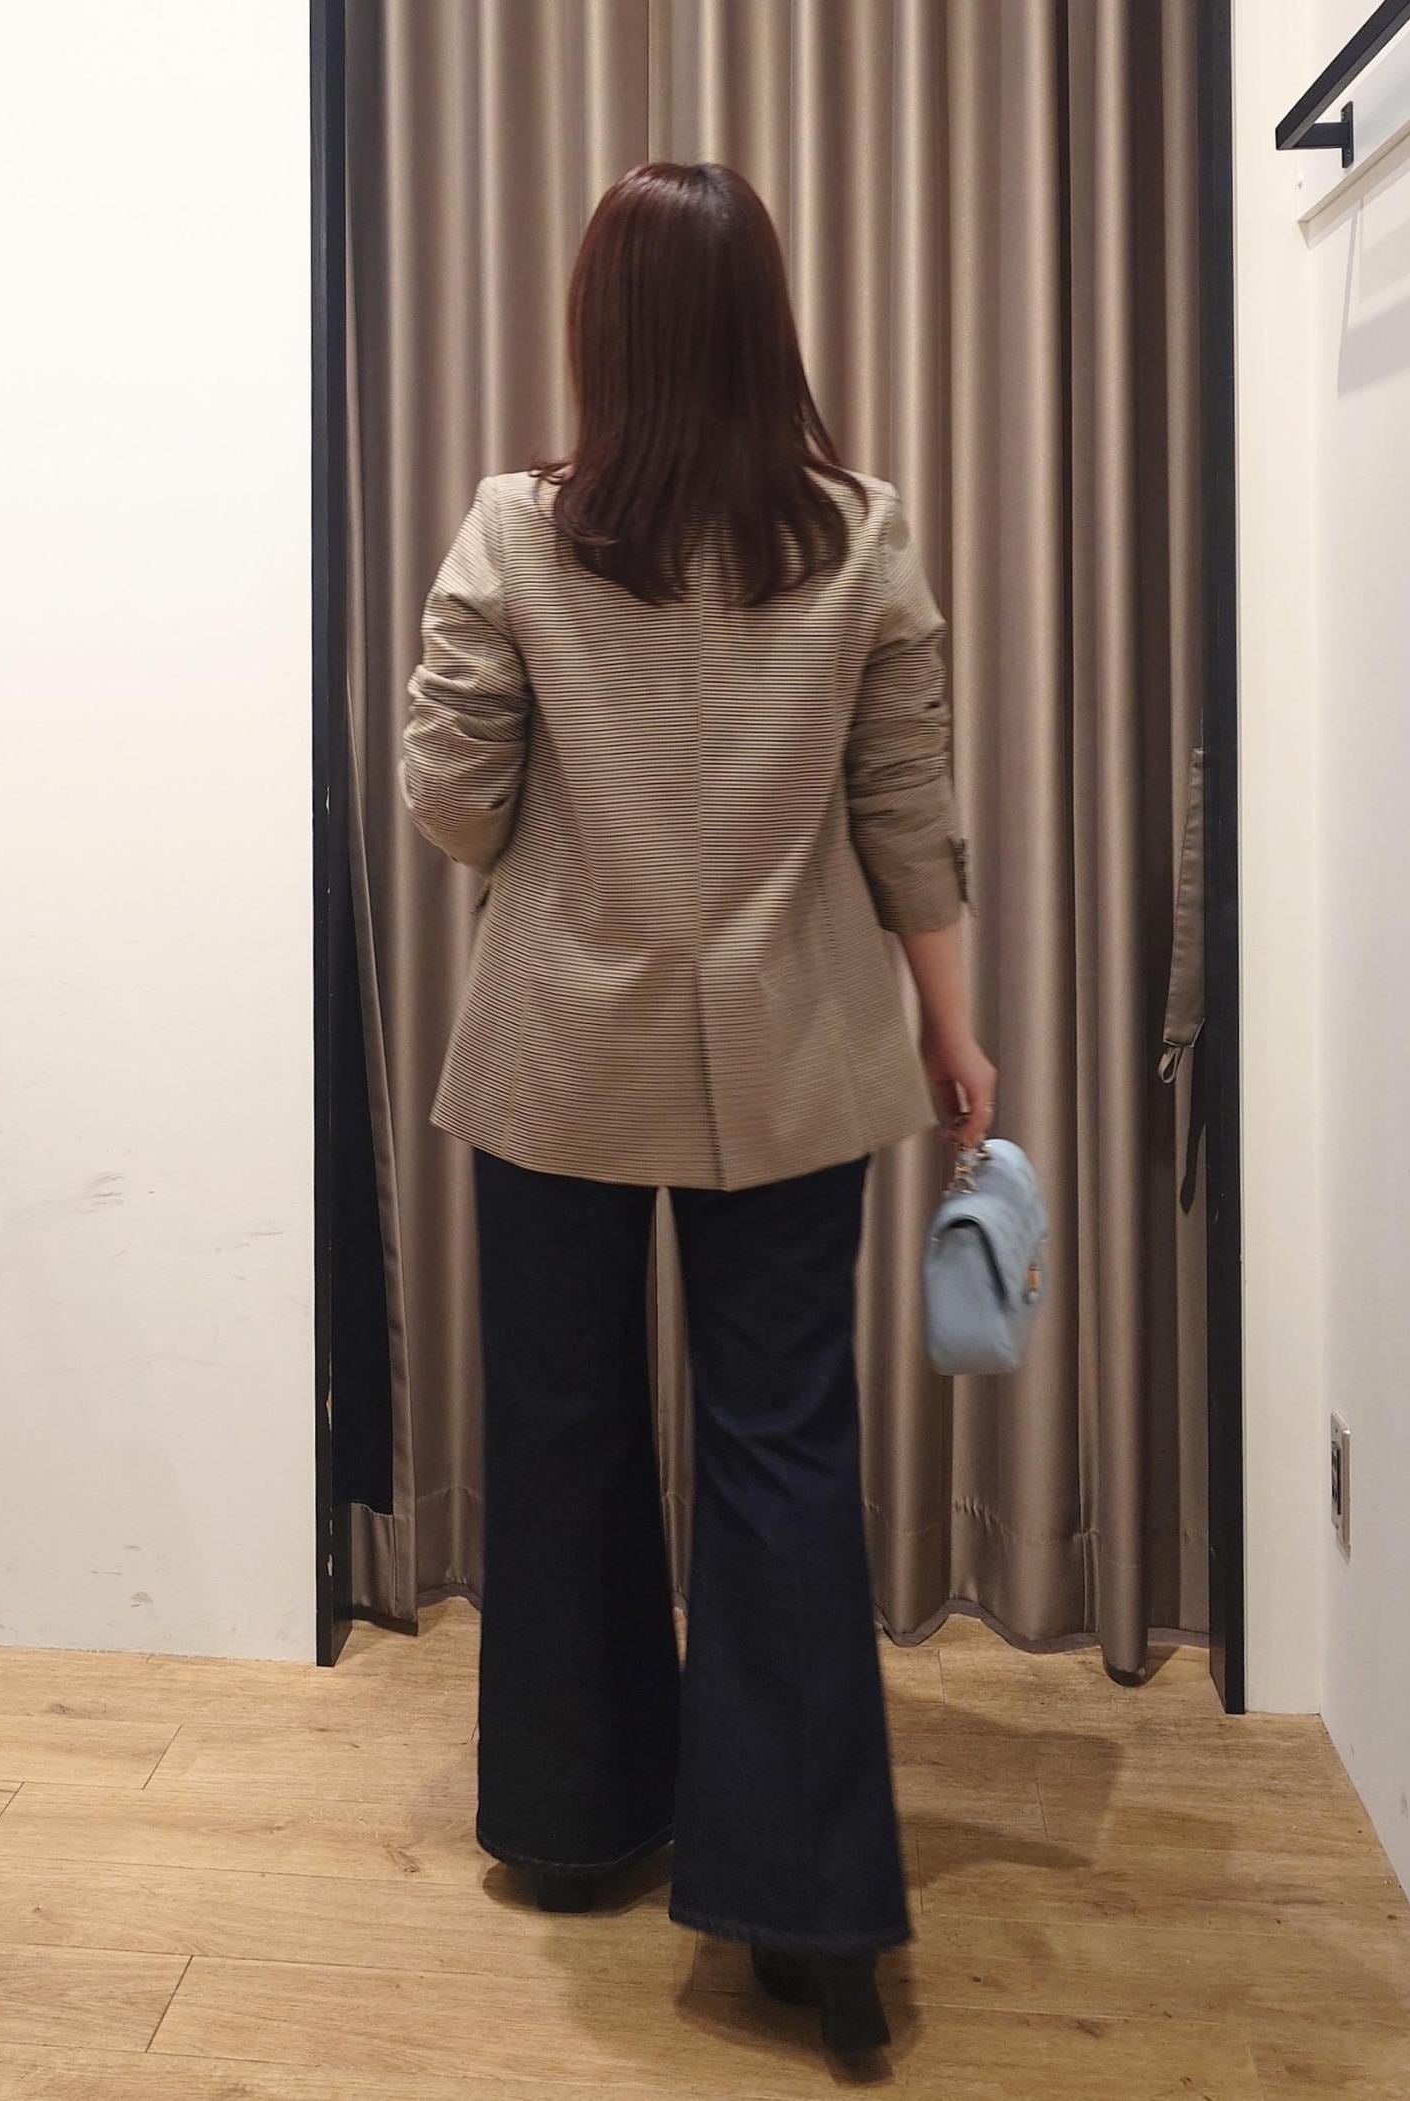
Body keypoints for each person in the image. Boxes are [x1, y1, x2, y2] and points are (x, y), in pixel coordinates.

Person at [401, 160, 996, 2058]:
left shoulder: (517, 530)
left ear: (601, 329)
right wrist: (955, 1033)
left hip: (560, 1057)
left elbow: (454, 805)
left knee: (564, 1431)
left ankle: (577, 1826)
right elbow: (908, 810)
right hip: (796, 1061)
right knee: (782, 1455)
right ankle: (812, 1910)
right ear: (765, 327)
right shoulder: (862, 532)